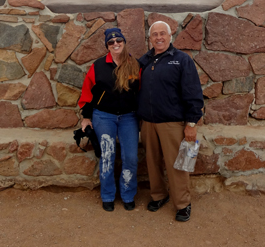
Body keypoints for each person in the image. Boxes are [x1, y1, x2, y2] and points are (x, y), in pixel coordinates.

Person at [137, 21, 204, 222]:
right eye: (155, 34)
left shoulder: (182, 60)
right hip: (148, 123)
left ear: (170, 36)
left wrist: (191, 124)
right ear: (150, 39)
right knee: (153, 163)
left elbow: (193, 92)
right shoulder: (144, 61)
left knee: (178, 165)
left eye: (162, 34)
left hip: (173, 124)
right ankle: (159, 195)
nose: (159, 37)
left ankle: (183, 203)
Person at [78, 27, 140, 212]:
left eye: (118, 41)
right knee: (107, 155)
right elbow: (87, 92)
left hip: (129, 116)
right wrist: (86, 117)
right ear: (107, 46)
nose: (115, 44)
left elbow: (142, 91)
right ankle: (107, 195)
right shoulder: (97, 66)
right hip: (104, 116)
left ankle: (128, 194)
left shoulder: (134, 65)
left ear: (124, 42)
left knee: (130, 157)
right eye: (111, 42)